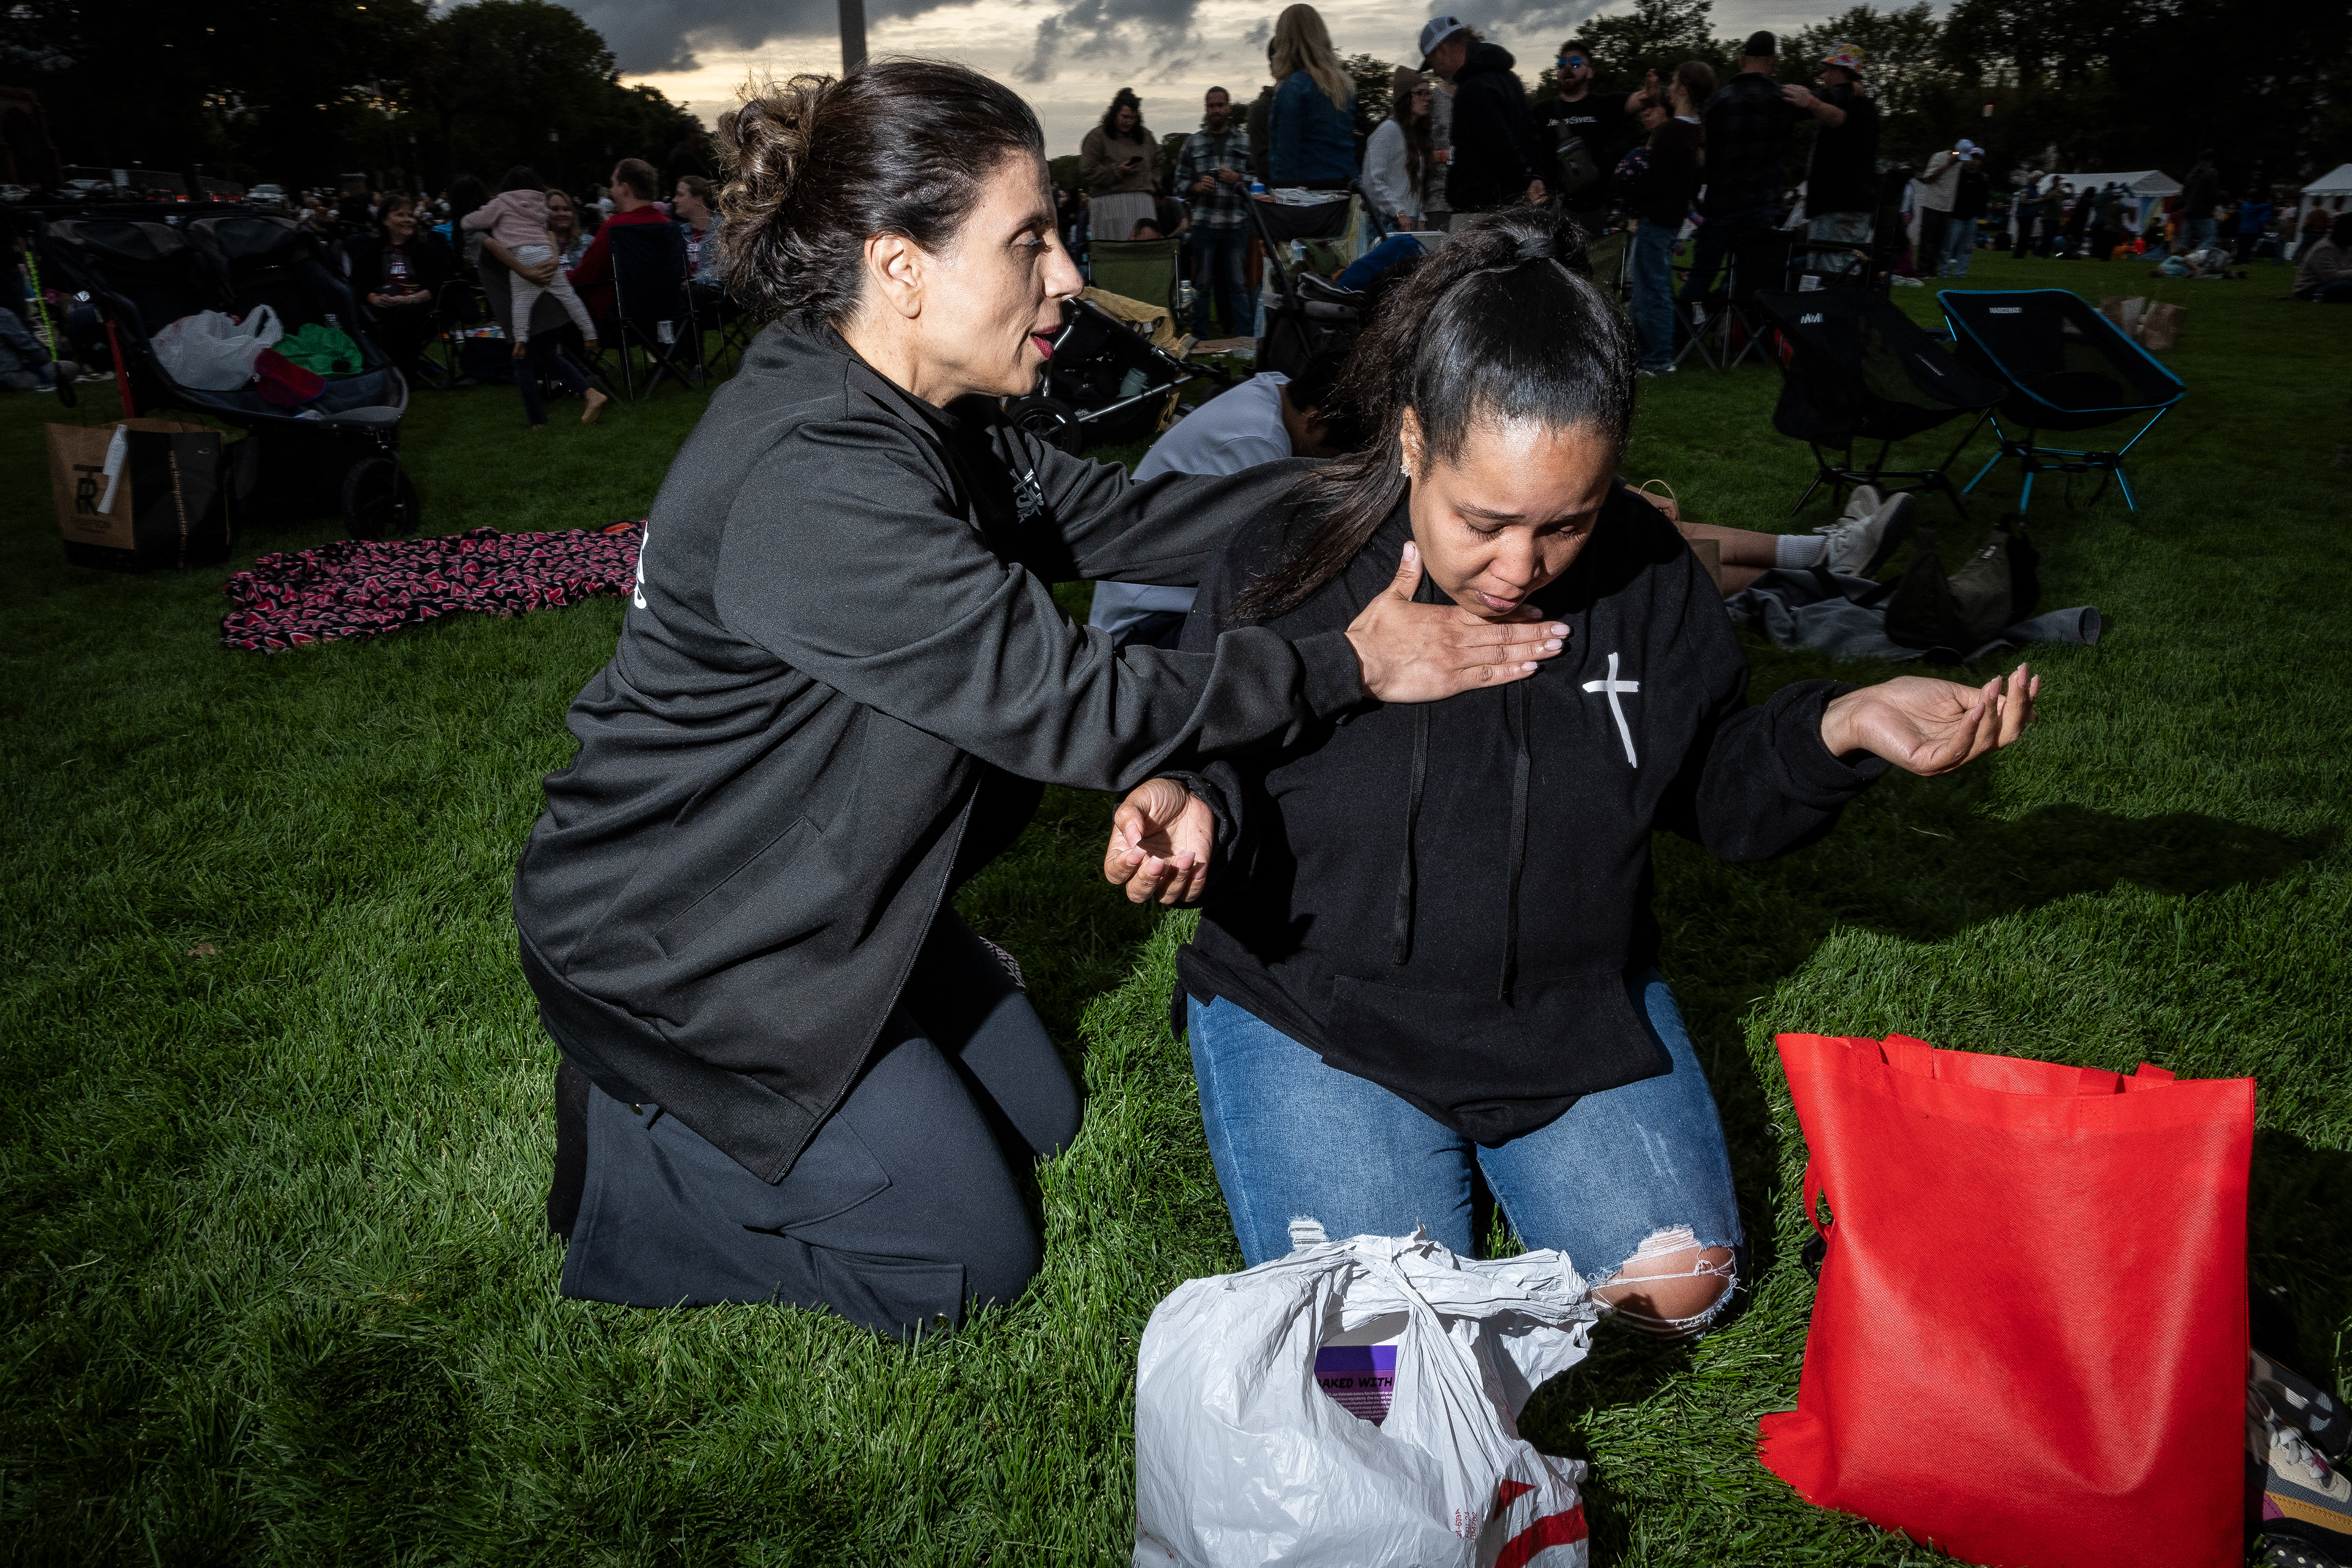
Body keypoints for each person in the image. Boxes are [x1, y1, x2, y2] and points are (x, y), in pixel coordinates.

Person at [511, 61, 1576, 1338]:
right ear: (900, 265)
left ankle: (865, 1006)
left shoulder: (915, 405)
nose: (1068, 273)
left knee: (1045, 1113)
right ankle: (643, 1145)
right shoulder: (818, 479)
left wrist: (1398, 482)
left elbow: (1139, 517)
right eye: (1029, 240)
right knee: (966, 1259)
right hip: (682, 950)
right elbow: (1081, 706)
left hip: (806, 902)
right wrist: (1357, 661)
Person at [1104, 205, 2037, 1325]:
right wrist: (1196, 808)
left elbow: (1715, 795)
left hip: (1564, 1009)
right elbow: (1217, 764)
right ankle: (1365, 1158)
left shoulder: (1651, 581)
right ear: (1412, 442)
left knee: (1681, 1294)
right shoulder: (1287, 559)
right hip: (1322, 1012)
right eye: (1483, 520)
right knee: (1388, 1346)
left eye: (1567, 524)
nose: (1520, 566)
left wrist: (1839, 726)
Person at [1088, 352, 1354, 650]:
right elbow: (1266, 562)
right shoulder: (1259, 444)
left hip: (1169, 599)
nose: (1326, 465)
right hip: (1151, 623)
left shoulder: (1274, 390)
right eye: (1331, 454)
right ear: (1314, 420)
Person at [1679, 32, 1806, 306]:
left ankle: (1679, 333)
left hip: (1721, 202)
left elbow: (1704, 155)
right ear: (1773, 61)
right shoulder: (1782, 100)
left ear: (1740, 61)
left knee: (1702, 273)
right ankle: (1735, 331)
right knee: (1749, 274)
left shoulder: (1718, 101)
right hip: (1762, 201)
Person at [462, 165, 601, 369]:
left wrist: (467, 220)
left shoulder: (501, 202)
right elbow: (546, 229)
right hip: (545, 252)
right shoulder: (540, 203)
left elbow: (477, 221)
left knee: (520, 303)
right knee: (569, 297)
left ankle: (520, 341)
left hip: (521, 254)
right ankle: (589, 335)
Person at [1423, 14, 1547, 213]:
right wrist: (1536, 177)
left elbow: (1499, 143)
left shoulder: (1473, 89)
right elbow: (1531, 134)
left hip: (1486, 210)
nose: (1435, 73)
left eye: (1431, 64)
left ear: (1442, 49)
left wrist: (1524, 184)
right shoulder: (1509, 79)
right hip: (1511, 204)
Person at [1629, 63, 1708, 375]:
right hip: (1670, 218)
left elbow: (1654, 178)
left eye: (1674, 82)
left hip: (1656, 218)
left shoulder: (1672, 131)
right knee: (1649, 289)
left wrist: (1632, 178)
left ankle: (1658, 358)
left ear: (1684, 89)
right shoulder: (1693, 129)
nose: (1671, 88)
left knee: (1652, 291)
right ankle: (1645, 356)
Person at [1531, 39, 1647, 234]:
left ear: (1590, 72)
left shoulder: (1604, 106)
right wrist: (1532, 179)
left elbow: (1640, 100)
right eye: (1562, 64)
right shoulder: (1541, 111)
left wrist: (1652, 93)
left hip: (1595, 212)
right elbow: (1526, 151)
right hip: (1553, 212)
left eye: (1576, 63)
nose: (1567, 67)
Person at [1174, 86, 1254, 339]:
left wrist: (1239, 177)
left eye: (1220, 105)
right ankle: (1199, 338)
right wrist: (1196, 186)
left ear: (1229, 108)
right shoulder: (1193, 142)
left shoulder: (1245, 141)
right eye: (1211, 106)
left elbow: (1262, 180)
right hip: (1204, 223)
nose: (1216, 110)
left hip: (1236, 223)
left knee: (1239, 286)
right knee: (1203, 285)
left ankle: (1246, 338)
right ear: (1206, 109)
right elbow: (1178, 181)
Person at [347, 195, 454, 383]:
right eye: (400, 214)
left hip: (420, 307)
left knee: (405, 312)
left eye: (411, 215)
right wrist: (374, 298)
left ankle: (398, 374)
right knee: (373, 313)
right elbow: (359, 284)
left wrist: (408, 299)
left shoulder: (427, 248)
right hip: (382, 305)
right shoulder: (371, 250)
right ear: (385, 220)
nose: (408, 219)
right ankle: (396, 371)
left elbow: (436, 285)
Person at [1793, 42, 1878, 277]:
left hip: (1841, 208)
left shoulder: (1857, 105)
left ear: (1840, 71)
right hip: (1839, 207)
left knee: (1832, 275)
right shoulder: (1860, 103)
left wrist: (1810, 102)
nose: (1823, 76)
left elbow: (1838, 118)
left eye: (1828, 69)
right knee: (1824, 271)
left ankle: (1830, 313)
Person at [565, 158, 668, 324]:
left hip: (618, 315)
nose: (611, 191)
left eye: (613, 184)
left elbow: (585, 276)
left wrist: (561, 276)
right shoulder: (668, 226)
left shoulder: (616, 227)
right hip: (662, 312)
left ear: (625, 188)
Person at [1267, 4, 1355, 189]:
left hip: (1311, 202)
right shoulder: (1344, 87)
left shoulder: (1293, 89)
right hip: (1347, 195)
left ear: (1284, 40)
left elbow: (1286, 162)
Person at [1081, 88, 1161, 254]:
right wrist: (1118, 171)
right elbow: (1088, 171)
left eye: (1133, 117)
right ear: (1114, 114)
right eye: (1125, 117)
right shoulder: (1097, 137)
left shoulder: (1146, 137)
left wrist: (1153, 181)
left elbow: (1159, 161)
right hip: (1108, 205)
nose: (1129, 122)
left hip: (1143, 204)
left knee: (1144, 255)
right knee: (1114, 256)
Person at [1364, 67, 1438, 234]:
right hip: (1387, 223)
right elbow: (1371, 181)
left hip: (1407, 222)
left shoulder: (1416, 134)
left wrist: (1420, 217)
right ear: (1405, 98)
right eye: (1420, 93)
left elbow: (1410, 188)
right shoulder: (1388, 130)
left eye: (1429, 92)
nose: (1428, 98)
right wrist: (1399, 212)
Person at [0, 304, 78, 390]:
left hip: (8, 371)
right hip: (8, 375)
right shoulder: (4, 315)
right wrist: (46, 359)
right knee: (69, 367)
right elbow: (26, 345)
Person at [674, 174, 724, 285]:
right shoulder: (679, 232)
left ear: (698, 199)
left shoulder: (725, 230)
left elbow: (727, 269)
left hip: (714, 299)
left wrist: (694, 281)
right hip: (685, 298)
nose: (675, 200)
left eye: (680, 195)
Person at [2293, 210, 2352, 301]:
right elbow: (2330, 277)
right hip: (2311, 288)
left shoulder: (2346, 247)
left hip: (2328, 284)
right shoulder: (2325, 247)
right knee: (2345, 285)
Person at [1947, 147, 1988, 274]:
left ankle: (1960, 273)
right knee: (1949, 245)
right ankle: (1944, 272)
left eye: (1977, 159)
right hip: (1955, 216)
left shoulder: (1982, 179)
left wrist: (1982, 222)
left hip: (1972, 218)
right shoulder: (1957, 175)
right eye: (1972, 158)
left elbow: (1983, 201)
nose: (1974, 161)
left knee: (1966, 247)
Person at [2181, 153, 2218, 253]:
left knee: (2185, 241)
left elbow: (2184, 192)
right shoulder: (2211, 172)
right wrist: (2212, 207)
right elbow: (2213, 193)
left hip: (2189, 211)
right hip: (2204, 212)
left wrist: (2187, 205)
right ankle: (2195, 258)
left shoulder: (2191, 174)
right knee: (2210, 237)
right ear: (2211, 160)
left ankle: (2179, 260)